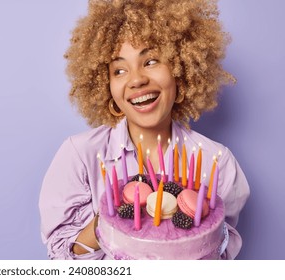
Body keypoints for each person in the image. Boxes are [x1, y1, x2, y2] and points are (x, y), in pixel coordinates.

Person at [39, 0, 250, 260]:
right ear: (106, 86)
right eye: (119, 70)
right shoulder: (81, 155)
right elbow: (61, 259)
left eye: (150, 61)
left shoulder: (217, 163)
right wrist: (108, 221)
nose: (137, 79)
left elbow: (221, 254)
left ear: (180, 71)